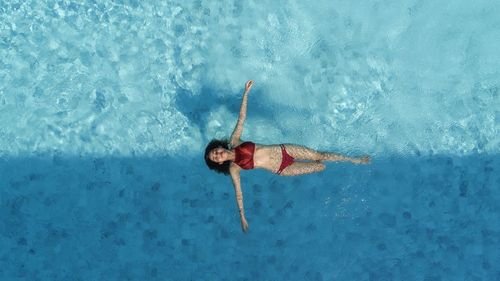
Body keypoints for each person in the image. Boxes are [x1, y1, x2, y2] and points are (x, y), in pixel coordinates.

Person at [204, 80, 370, 232]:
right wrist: (242, 216)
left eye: (215, 151)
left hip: (284, 151)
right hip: (282, 169)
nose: (218, 155)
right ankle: (330, 164)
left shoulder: (234, 141)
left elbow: (241, 118)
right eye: (215, 158)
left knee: (320, 155)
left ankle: (355, 159)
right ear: (219, 163)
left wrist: (246, 93)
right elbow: (239, 193)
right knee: (320, 166)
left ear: (218, 147)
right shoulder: (234, 168)